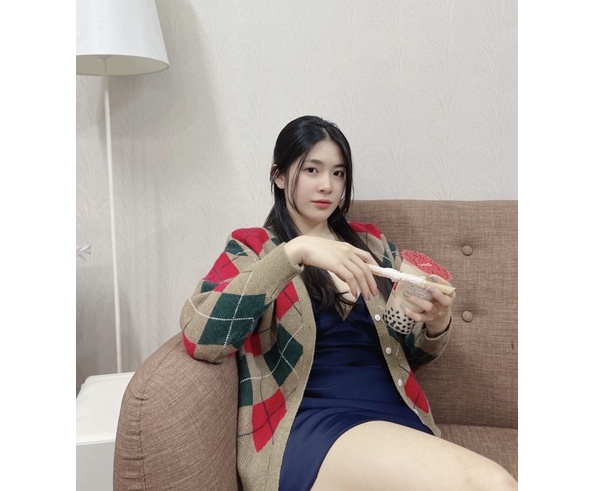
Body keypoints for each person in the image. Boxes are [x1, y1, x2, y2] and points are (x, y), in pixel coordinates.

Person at [180, 115, 517, 490]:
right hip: (312, 423)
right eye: (312, 170)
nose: (327, 185)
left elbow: (412, 349)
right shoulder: (255, 247)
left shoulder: (371, 244)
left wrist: (435, 322)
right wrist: (295, 253)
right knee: (492, 483)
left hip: (395, 413)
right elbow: (201, 335)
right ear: (279, 176)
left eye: (338, 173)